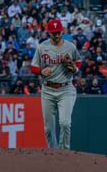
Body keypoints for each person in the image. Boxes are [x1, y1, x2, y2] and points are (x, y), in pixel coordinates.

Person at [30, 19, 81, 149]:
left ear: (62, 31)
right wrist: (41, 71)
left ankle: (64, 152)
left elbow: (78, 62)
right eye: (54, 33)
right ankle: (53, 154)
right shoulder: (42, 47)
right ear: (49, 33)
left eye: (58, 32)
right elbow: (33, 67)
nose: (57, 35)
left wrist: (75, 69)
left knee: (65, 123)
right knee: (48, 128)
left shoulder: (70, 46)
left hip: (66, 89)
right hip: (47, 90)